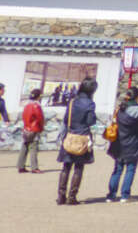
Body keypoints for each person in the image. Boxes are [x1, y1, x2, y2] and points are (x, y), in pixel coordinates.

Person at [106, 86, 138, 202]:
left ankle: (111, 195)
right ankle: (125, 195)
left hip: (120, 142)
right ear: (137, 97)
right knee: (130, 169)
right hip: (134, 143)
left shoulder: (121, 108)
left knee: (117, 169)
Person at [56, 77, 98, 205]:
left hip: (70, 135)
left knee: (66, 167)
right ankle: (72, 196)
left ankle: (61, 196)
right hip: (82, 137)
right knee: (78, 168)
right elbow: (90, 121)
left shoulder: (73, 101)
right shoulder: (90, 103)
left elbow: (65, 119)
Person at [18, 88, 44, 174]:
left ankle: (21, 166)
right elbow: (40, 118)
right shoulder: (36, 106)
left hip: (26, 128)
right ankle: (34, 167)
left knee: (24, 146)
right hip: (34, 128)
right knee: (33, 148)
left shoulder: (27, 105)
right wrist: (41, 127)